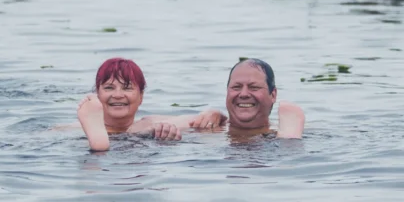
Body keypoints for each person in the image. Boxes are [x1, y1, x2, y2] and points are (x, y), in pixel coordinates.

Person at [77, 57, 225, 151]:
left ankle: (99, 146)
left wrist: (214, 114)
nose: (117, 95)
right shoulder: (77, 128)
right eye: (109, 88)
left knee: (97, 157)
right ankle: (100, 145)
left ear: (141, 96)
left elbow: (200, 120)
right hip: (137, 150)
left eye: (127, 88)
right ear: (98, 94)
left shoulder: (152, 123)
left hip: (99, 152)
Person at [225, 58, 304, 139]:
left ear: (273, 95)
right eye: (236, 87)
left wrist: (290, 136)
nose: (244, 94)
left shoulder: (289, 131)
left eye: (254, 87)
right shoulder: (214, 131)